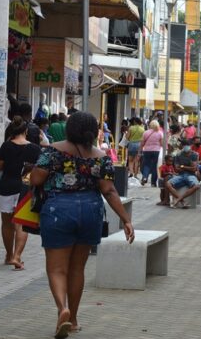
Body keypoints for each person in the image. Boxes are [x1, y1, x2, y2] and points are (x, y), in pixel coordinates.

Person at [29, 112, 134, 338]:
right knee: (77, 269)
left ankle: (62, 309)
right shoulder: (101, 156)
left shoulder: (53, 150)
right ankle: (74, 319)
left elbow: (36, 179)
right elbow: (109, 190)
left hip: (59, 209)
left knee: (57, 269)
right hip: (91, 210)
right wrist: (126, 220)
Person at [0, 116, 41, 271]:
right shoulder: (35, 148)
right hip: (25, 188)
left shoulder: (6, 146)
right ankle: (17, 256)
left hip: (6, 186)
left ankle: (8, 255)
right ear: (26, 131)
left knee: (6, 223)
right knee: (21, 224)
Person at [165, 139, 201, 209]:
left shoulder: (194, 155)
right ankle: (183, 201)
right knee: (168, 184)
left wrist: (183, 166)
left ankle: (178, 200)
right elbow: (177, 169)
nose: (185, 147)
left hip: (191, 175)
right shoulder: (178, 155)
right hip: (181, 175)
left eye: (186, 145)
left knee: (196, 186)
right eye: (183, 145)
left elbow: (194, 169)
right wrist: (187, 167)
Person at [140, 120, 164, 187]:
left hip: (147, 150)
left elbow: (142, 143)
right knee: (155, 166)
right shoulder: (160, 133)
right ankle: (153, 183)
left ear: (150, 125)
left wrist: (140, 151)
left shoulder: (146, 132)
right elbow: (162, 144)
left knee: (146, 165)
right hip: (157, 151)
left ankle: (145, 177)